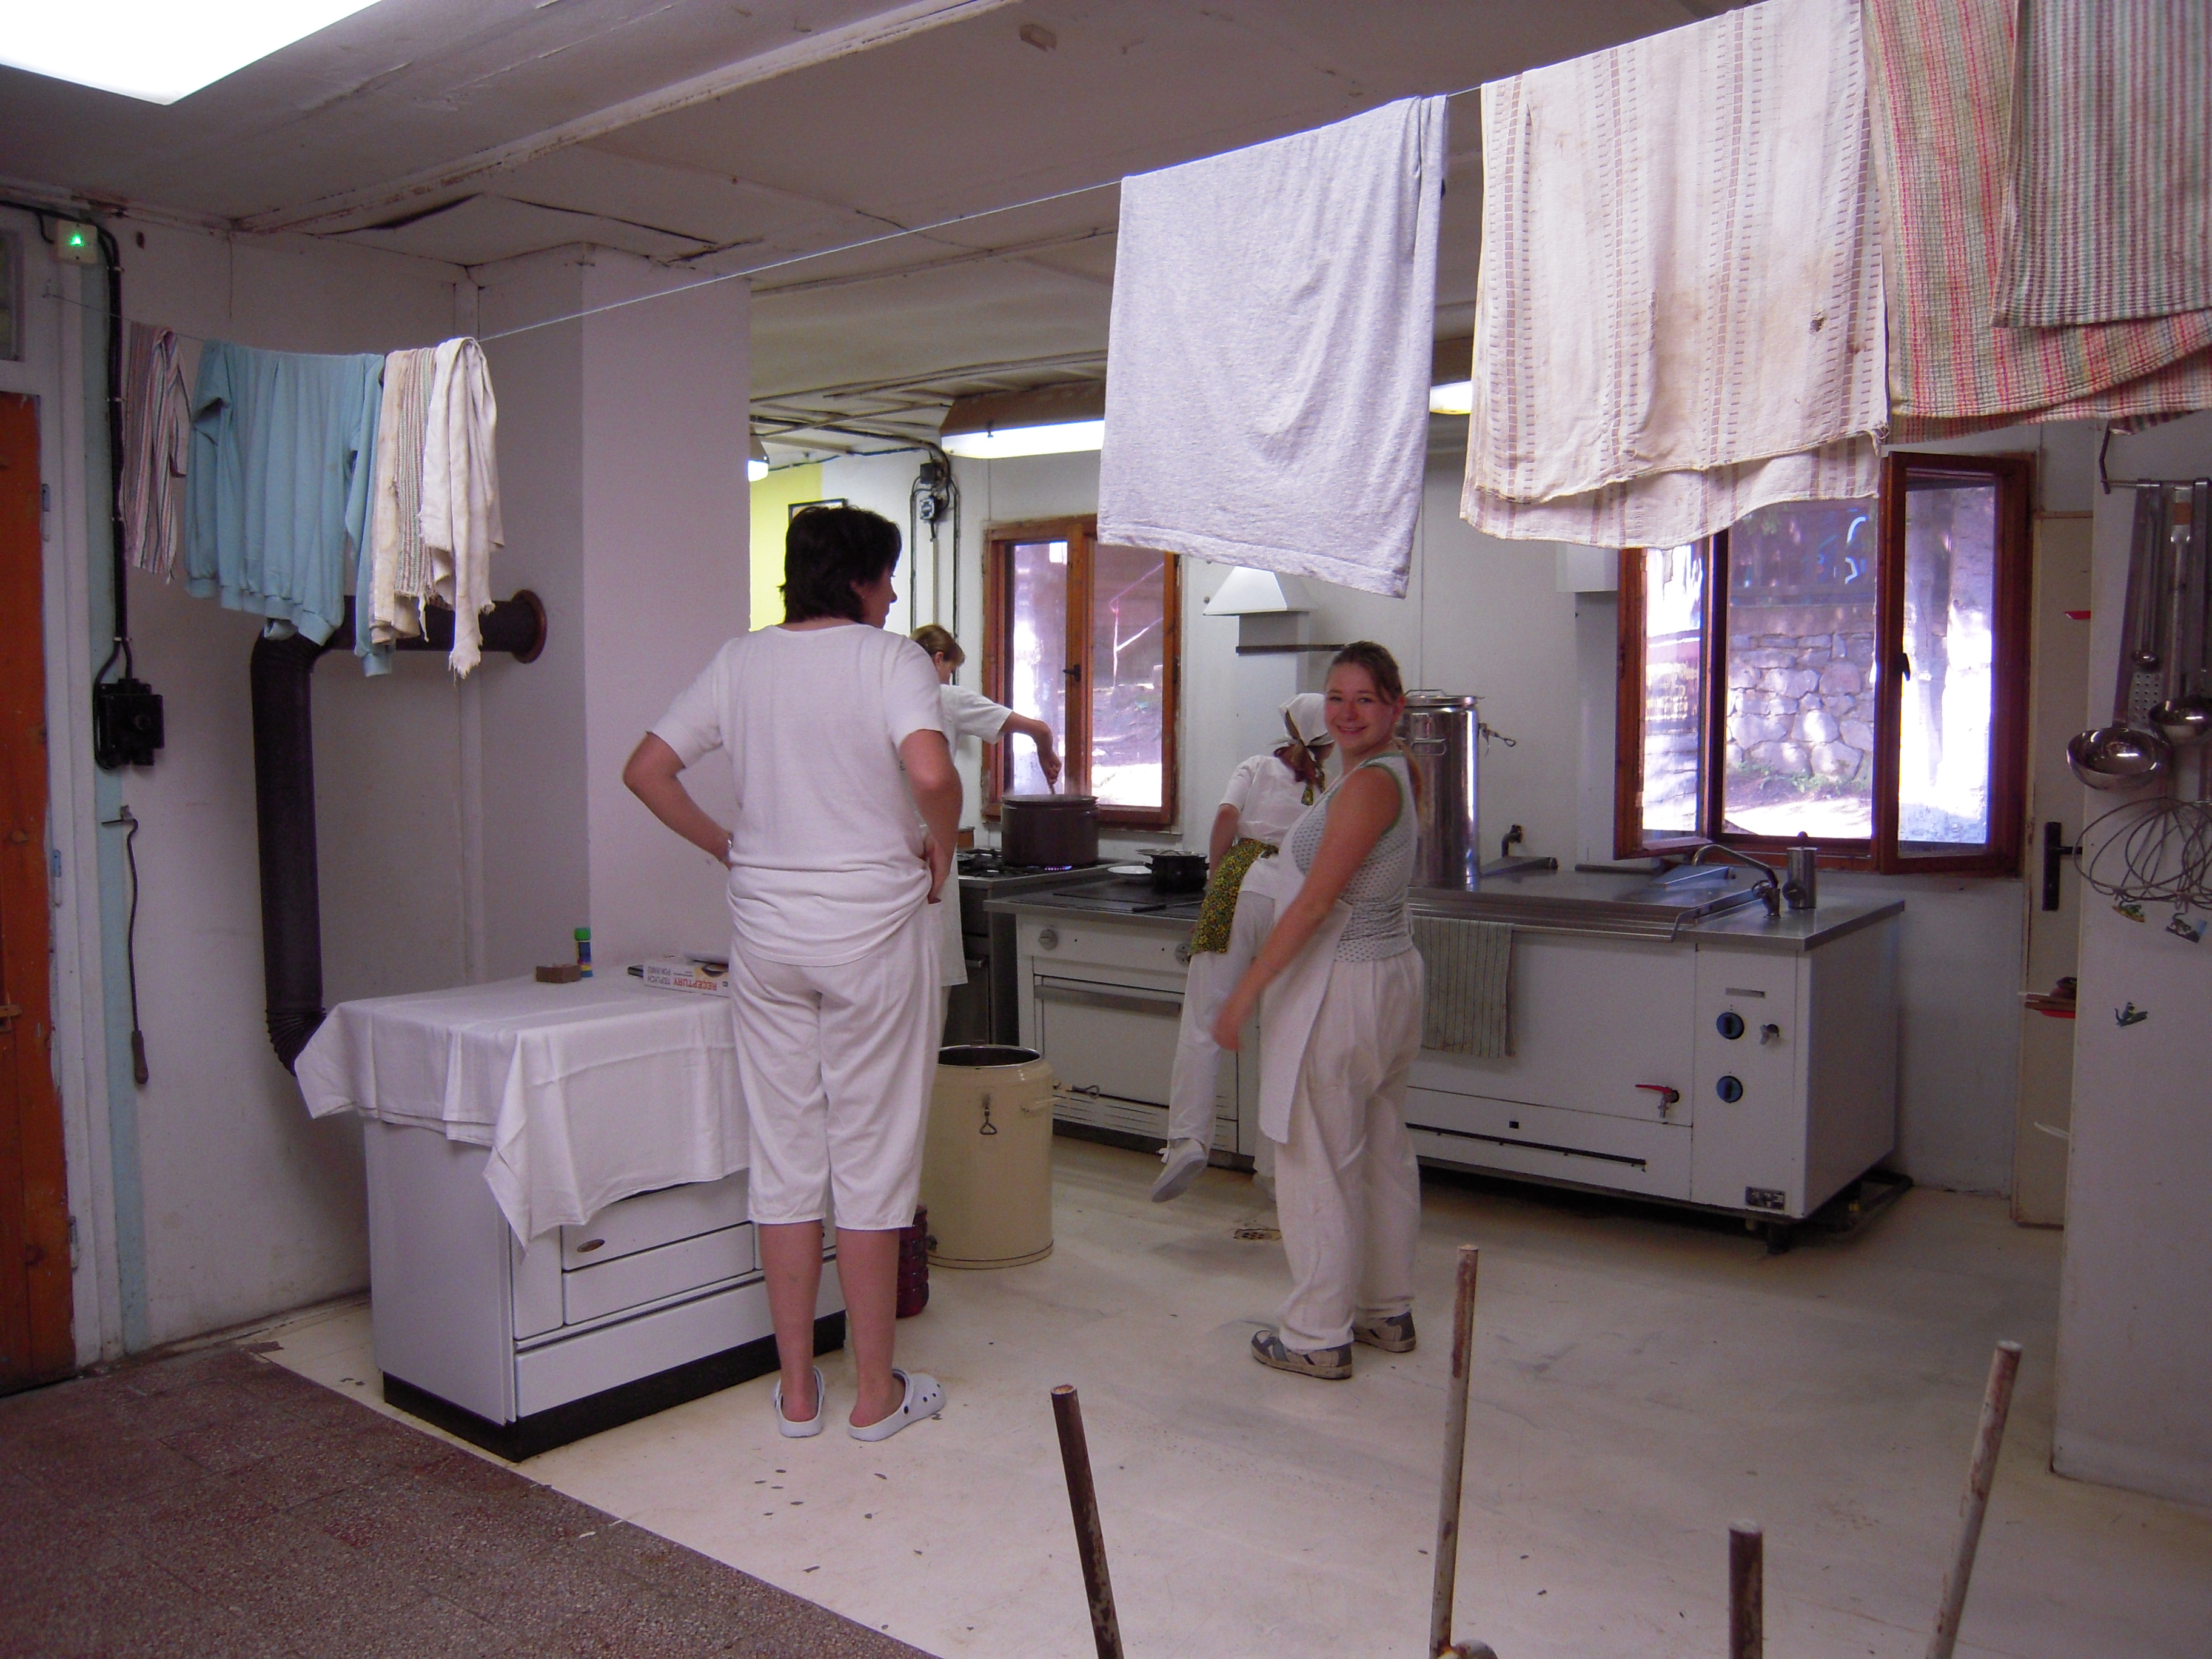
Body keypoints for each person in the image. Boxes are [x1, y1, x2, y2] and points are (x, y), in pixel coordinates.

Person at [623, 505, 959, 1441]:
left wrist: (725, 846)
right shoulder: (890, 660)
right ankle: (875, 1395)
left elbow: (646, 770)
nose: (892, 594)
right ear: (857, 579)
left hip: (768, 936)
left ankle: (799, 1393)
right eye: (886, 577)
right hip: (873, 932)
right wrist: (942, 847)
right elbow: (933, 776)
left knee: (786, 1153)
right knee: (872, 1155)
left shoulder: (740, 661)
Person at [1211, 642, 1424, 1381]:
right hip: (1384, 977)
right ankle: (1385, 1308)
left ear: (1395, 707)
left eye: (1365, 699)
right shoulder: (1383, 773)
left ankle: (1315, 1335)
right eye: (1336, 698)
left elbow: (1314, 904)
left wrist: (1246, 991)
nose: (1347, 712)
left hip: (1344, 984)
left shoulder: (1369, 787)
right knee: (1381, 1151)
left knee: (1316, 1161)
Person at [1150, 693, 1333, 1202]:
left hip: (1240, 884)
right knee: (1284, 1030)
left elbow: (1226, 817)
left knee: (1204, 1016)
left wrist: (1215, 881)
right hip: (1294, 899)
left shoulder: (1255, 766)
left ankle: (1188, 1140)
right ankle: (1275, 1165)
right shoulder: (1327, 788)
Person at [911, 624, 1062, 1035]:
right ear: (938, 660)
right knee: (931, 993)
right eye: (950, 668)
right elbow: (1038, 728)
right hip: (929, 853)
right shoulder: (944, 698)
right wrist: (1046, 750)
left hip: (881, 859)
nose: (949, 677)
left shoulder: (879, 698)